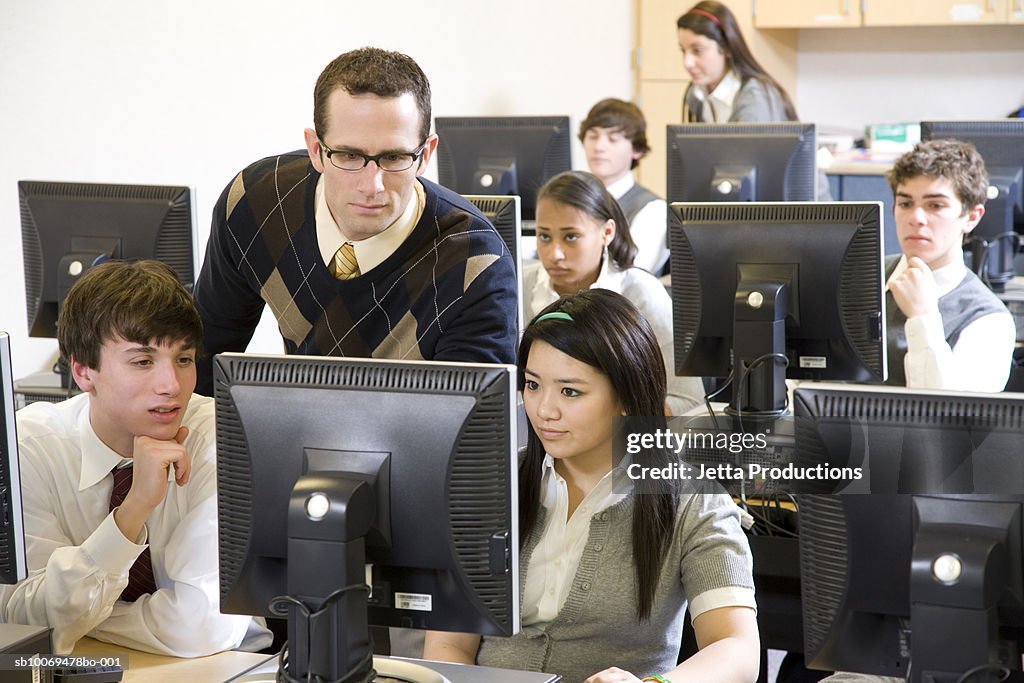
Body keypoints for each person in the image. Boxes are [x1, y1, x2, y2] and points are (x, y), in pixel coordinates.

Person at [424, 289, 760, 683]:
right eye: (532, 385)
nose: (544, 409)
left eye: (571, 391)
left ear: (627, 399)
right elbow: (448, 647)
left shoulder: (693, 503)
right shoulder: (487, 485)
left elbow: (737, 648)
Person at [192, 47, 518, 396]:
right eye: (348, 155)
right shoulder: (255, 202)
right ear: (315, 150)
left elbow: (471, 434)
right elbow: (201, 364)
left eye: (394, 157)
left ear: (425, 155)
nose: (371, 185)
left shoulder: (475, 265)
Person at [0, 260, 270, 656]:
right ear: (83, 370)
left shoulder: (222, 436)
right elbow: (22, 615)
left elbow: (200, 628)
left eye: (183, 359)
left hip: (222, 671)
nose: (171, 386)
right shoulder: (31, 445)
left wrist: (82, 617)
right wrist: (133, 511)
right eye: (142, 362)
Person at [522, 170, 704, 415]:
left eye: (571, 237)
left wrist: (608, 420)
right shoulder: (520, 286)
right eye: (544, 236)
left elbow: (690, 400)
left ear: (607, 232)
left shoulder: (640, 293)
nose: (555, 253)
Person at [884, 139, 1015, 391]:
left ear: (972, 217)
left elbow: (946, 420)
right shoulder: (860, 277)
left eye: (935, 205)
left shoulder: (989, 321)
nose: (916, 218)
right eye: (905, 203)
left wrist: (923, 316)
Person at [579, 98, 668, 275]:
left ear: (637, 150)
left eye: (613, 139)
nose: (599, 147)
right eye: (593, 136)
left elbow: (633, 273)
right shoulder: (575, 199)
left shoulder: (652, 209)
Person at [677, 1, 797, 124]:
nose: (687, 63)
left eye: (698, 51)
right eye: (683, 50)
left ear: (727, 47)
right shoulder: (697, 94)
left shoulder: (755, 97)